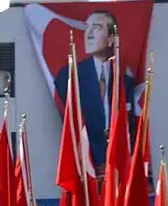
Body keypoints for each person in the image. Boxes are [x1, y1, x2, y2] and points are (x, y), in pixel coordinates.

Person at [52, 10, 136, 169]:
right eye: (87, 27)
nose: (88, 34)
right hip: (84, 163)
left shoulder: (125, 82)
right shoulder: (69, 76)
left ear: (111, 39)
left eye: (96, 28)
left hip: (117, 165)